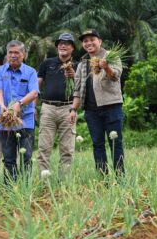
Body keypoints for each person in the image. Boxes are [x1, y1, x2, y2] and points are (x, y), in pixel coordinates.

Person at [71, 29, 125, 176]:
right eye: (85, 41)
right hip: (91, 111)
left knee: (116, 143)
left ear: (99, 41)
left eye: (92, 39)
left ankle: (120, 177)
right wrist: (73, 109)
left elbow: (116, 76)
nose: (88, 43)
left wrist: (106, 67)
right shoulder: (82, 64)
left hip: (111, 107)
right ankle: (103, 177)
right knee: (97, 144)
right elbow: (77, 89)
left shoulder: (111, 56)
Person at [0, 40, 39, 180]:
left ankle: (25, 187)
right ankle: (9, 190)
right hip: (6, 120)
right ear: (7, 54)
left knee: (27, 157)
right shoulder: (0, 71)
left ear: (23, 54)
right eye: (10, 53)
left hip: (26, 121)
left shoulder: (30, 72)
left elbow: (34, 93)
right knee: (8, 158)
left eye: (16, 52)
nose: (13, 55)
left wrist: (19, 103)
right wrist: (2, 105)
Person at [37, 33, 77, 178]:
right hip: (48, 108)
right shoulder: (47, 63)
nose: (63, 45)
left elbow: (82, 89)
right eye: (60, 43)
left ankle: (64, 181)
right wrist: (34, 107)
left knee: (67, 149)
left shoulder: (77, 65)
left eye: (67, 43)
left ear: (72, 47)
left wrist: (75, 76)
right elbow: (37, 86)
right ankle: (44, 180)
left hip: (68, 108)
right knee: (44, 147)